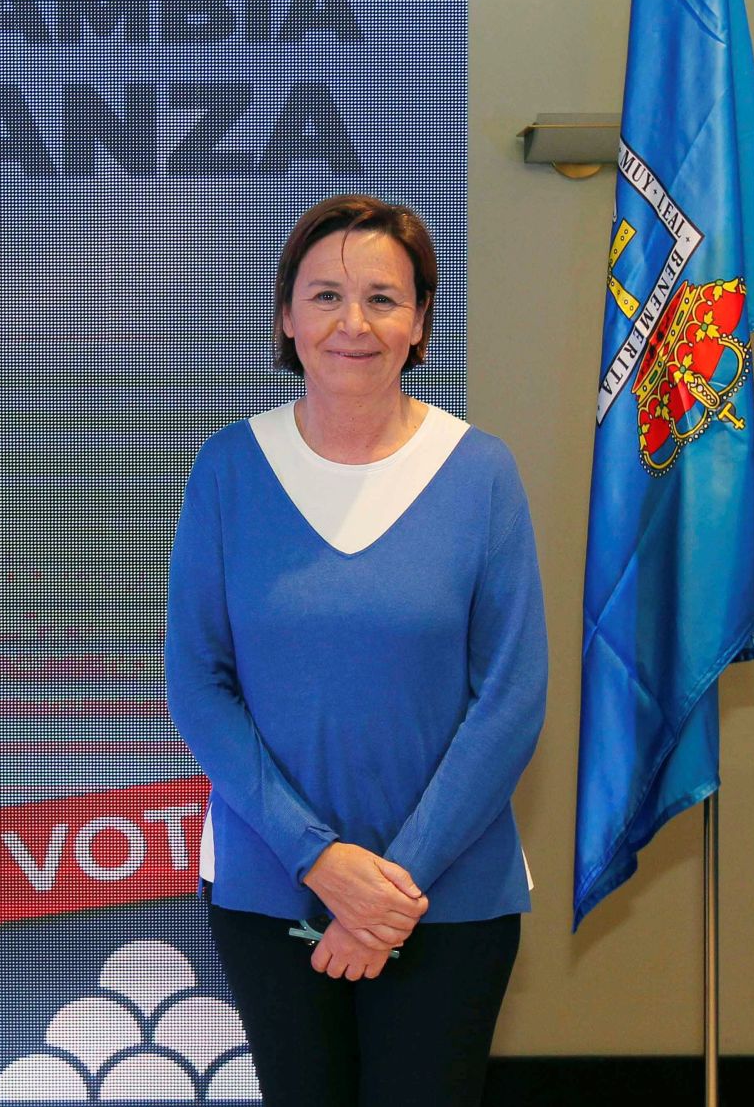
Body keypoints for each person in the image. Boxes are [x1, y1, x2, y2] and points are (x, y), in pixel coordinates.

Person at [163, 194, 548, 1105]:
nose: (354, 322)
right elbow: (198, 683)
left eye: (383, 297)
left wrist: (393, 887)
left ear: (419, 323)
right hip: (272, 892)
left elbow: (512, 697)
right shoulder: (227, 469)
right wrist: (321, 861)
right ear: (286, 317)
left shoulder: (481, 472)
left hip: (447, 898)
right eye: (326, 295)